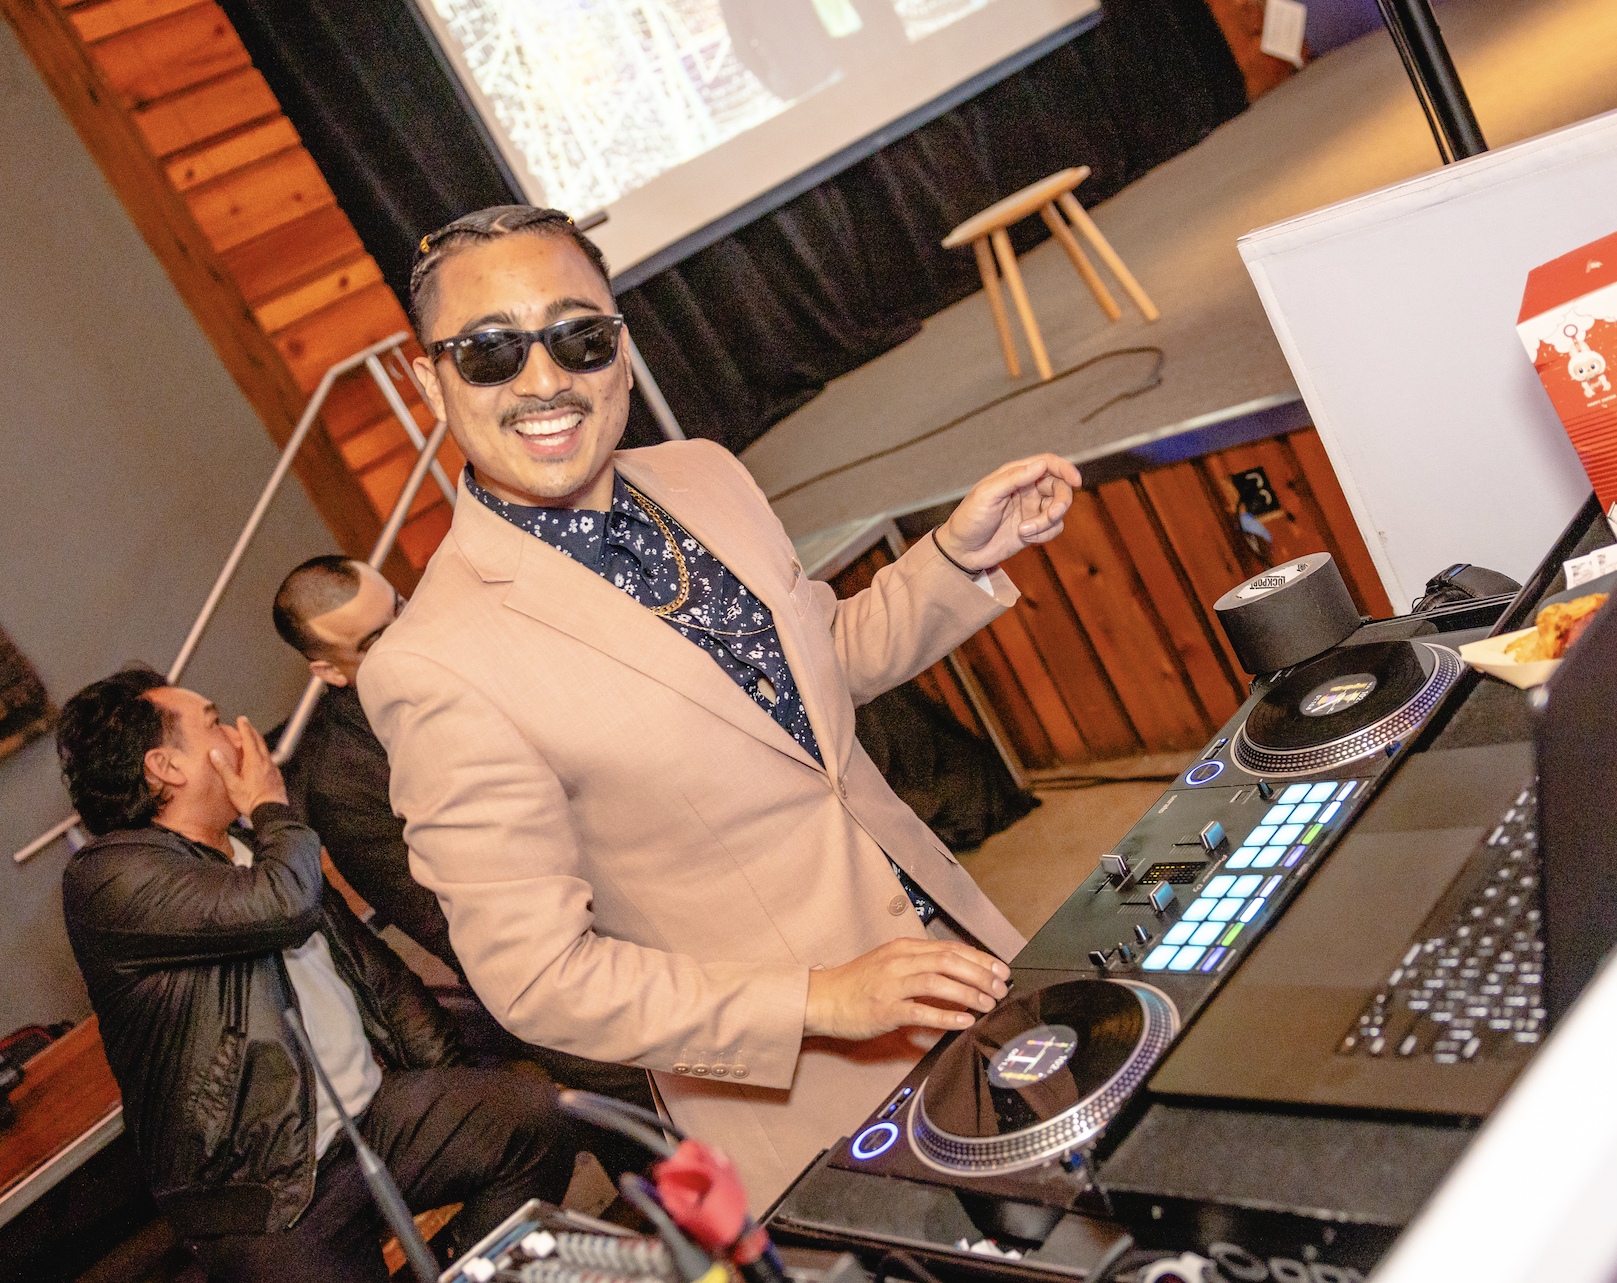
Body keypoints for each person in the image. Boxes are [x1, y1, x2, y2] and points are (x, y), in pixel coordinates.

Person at [357, 204, 1081, 1205]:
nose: (542, 382)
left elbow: (813, 675)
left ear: (618, 343)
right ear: (423, 375)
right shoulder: (434, 663)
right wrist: (819, 999)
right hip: (819, 1098)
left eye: (578, 338)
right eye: (488, 353)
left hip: (965, 963)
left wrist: (955, 556)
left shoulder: (701, 473)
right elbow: (536, 979)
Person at [56, 667, 584, 1283]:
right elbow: (282, 905)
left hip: (374, 1121)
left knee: (532, 1117)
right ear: (166, 765)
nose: (233, 729)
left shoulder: (257, 849)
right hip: (266, 1194)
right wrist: (274, 807)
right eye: (211, 720)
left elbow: (371, 974)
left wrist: (449, 1080)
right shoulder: (109, 878)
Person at [272, 556, 656, 1120]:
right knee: (657, 1136)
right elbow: (450, 925)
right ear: (330, 672)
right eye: (378, 639)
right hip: (546, 971)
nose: (411, 635)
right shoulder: (341, 779)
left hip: (639, 895)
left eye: (403, 608)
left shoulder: (475, 652)